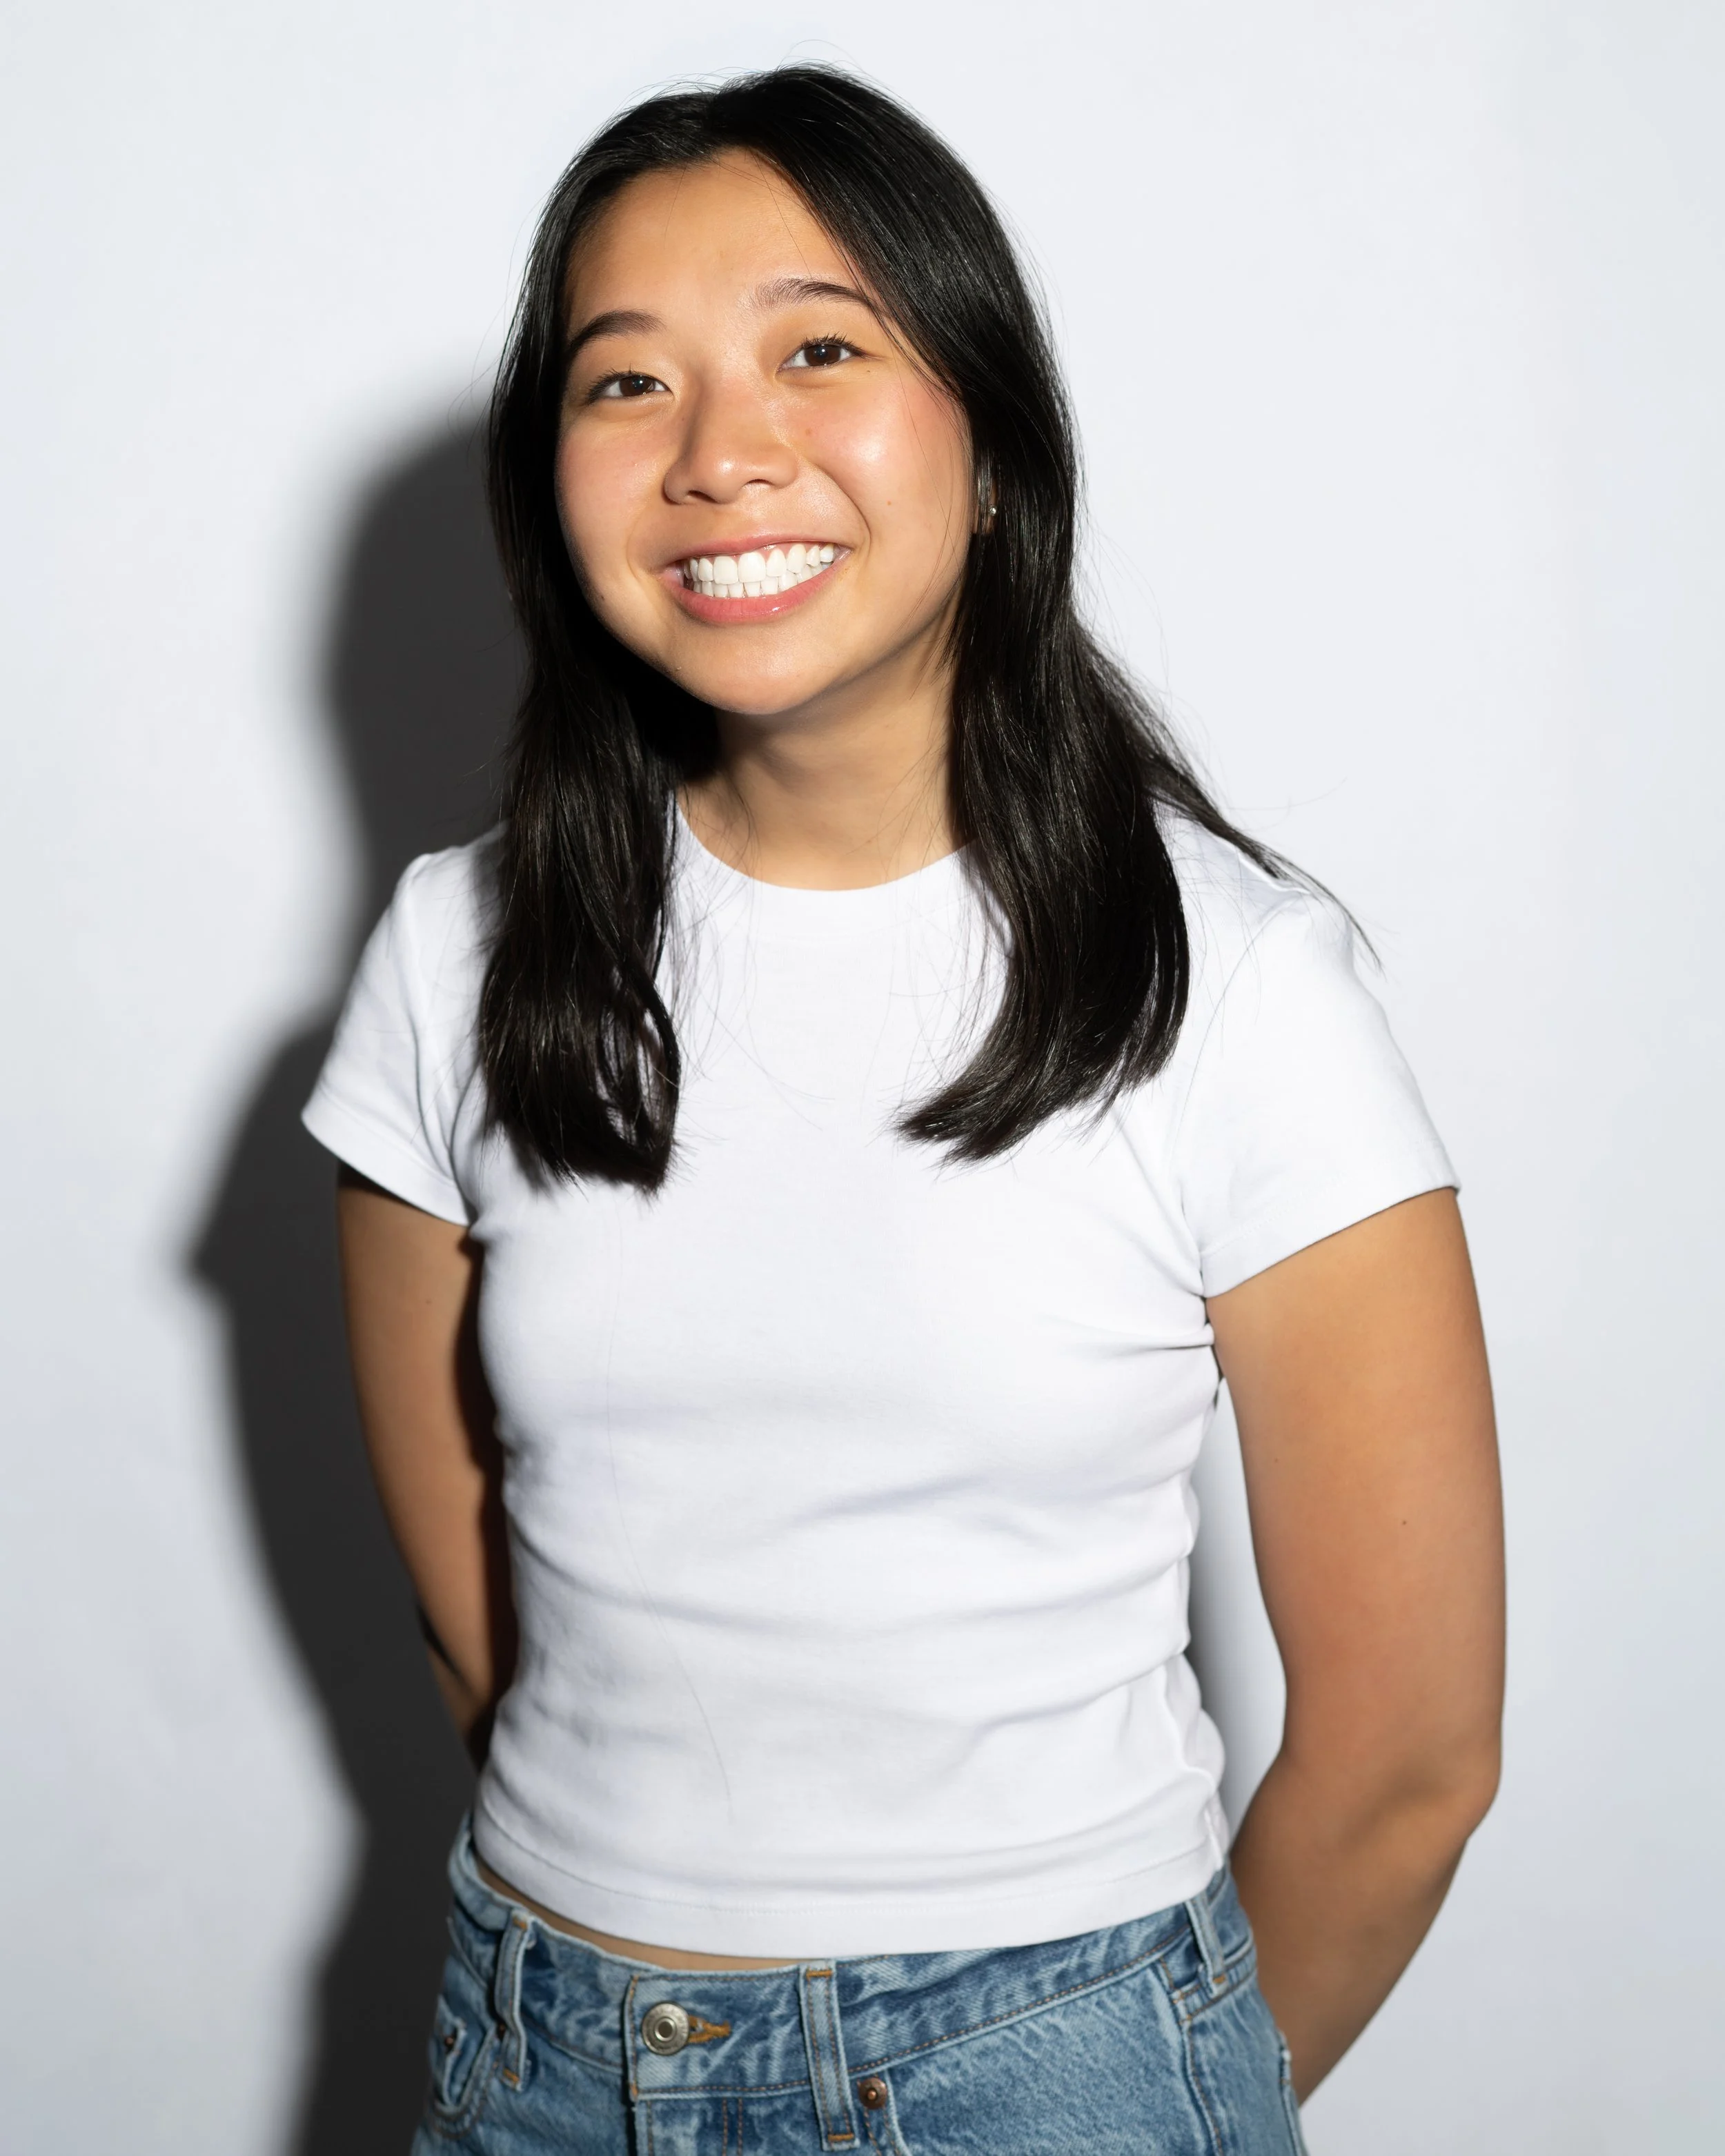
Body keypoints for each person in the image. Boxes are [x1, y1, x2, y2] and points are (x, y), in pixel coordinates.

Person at [304, 65, 1504, 2156]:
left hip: (1052, 2062)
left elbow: (1407, 1758)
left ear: (987, 430)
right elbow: (468, 1608)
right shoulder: (452, 950)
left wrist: (1151, 2097)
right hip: (537, 2051)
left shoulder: (1238, 986)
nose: (719, 454)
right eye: (622, 382)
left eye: (818, 347)